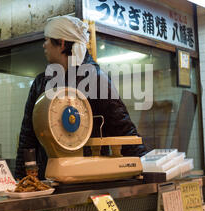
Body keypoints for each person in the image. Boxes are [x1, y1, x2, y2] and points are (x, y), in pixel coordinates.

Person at [14, 15, 149, 180]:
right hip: (49, 180)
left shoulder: (96, 79)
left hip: (88, 179)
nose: (44, 45)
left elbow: (123, 128)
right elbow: (27, 136)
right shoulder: (40, 83)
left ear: (62, 43)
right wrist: (21, 180)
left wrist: (148, 169)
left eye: (47, 40)